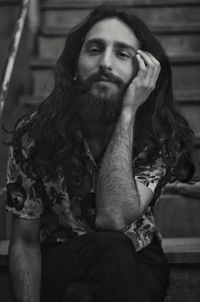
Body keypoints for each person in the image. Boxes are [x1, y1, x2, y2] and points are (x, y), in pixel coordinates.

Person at [6, 5, 195, 302]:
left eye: (123, 54)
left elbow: (113, 218)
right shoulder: (34, 135)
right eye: (94, 49)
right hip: (62, 253)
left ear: (141, 72)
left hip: (136, 255)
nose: (105, 63)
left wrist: (128, 112)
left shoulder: (158, 135)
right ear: (74, 68)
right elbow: (25, 240)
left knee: (109, 253)